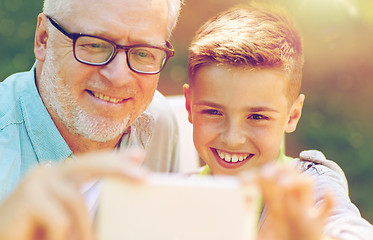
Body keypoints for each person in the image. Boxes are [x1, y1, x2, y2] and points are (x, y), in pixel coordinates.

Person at [183, 6, 373, 240]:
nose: (232, 138)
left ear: (292, 115)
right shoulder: (176, 195)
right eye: (213, 112)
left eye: (257, 117)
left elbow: (347, 228)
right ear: (189, 106)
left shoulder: (307, 186)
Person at [0, 0, 182, 238]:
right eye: (95, 44)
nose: (119, 77)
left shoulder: (158, 123)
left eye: (142, 53)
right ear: (43, 38)